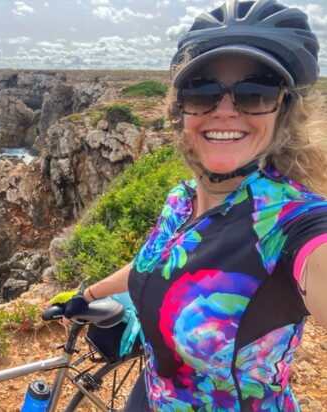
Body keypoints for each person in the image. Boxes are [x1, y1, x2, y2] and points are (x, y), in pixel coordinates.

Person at [53, 0, 327, 410]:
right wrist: (86, 292)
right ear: (181, 110)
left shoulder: (295, 223)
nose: (225, 111)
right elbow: (162, 261)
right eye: (203, 92)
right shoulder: (181, 200)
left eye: (255, 93)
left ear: (283, 109)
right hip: (150, 395)